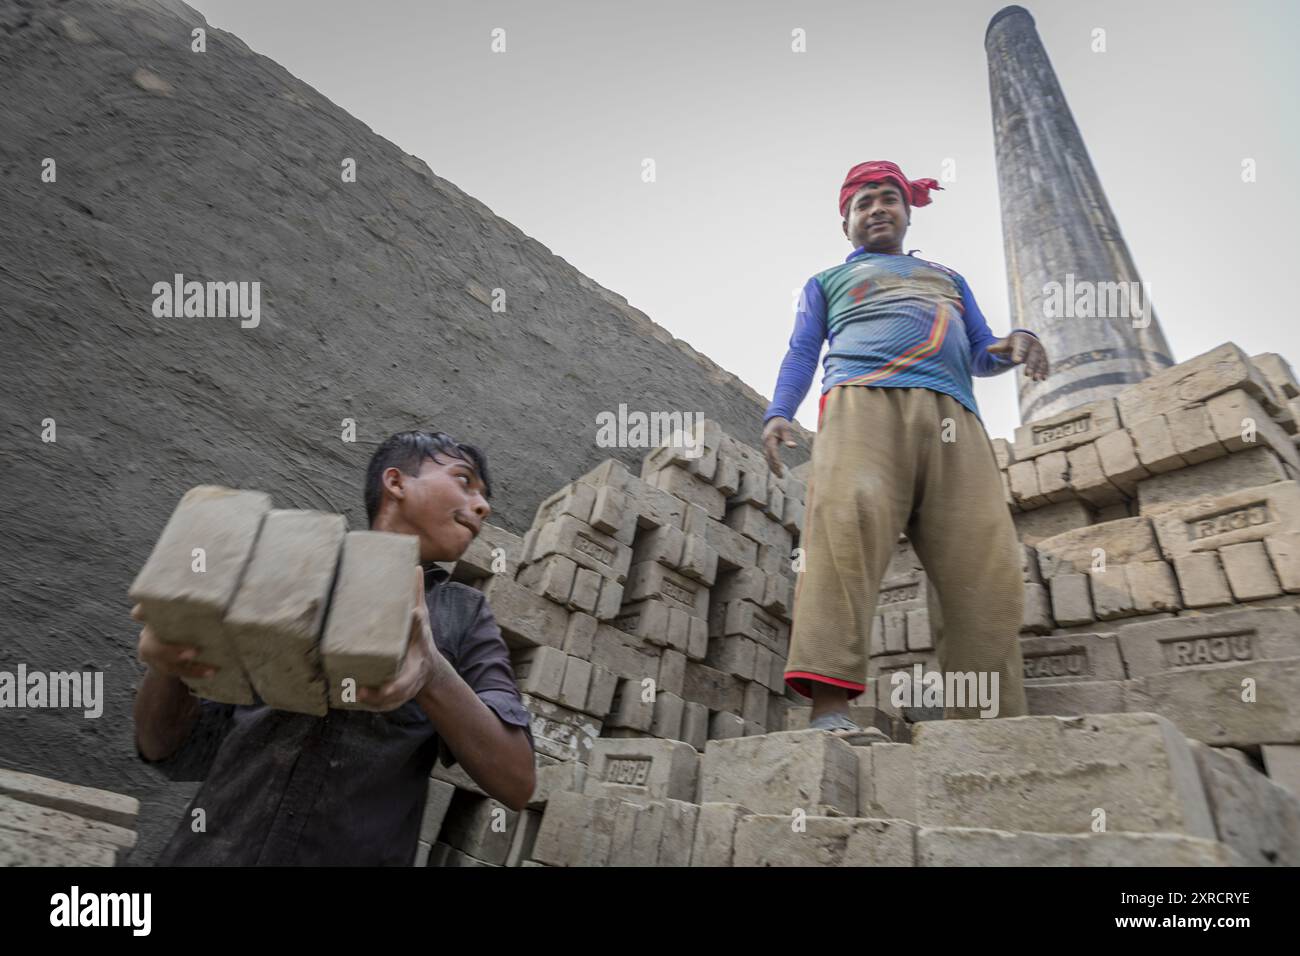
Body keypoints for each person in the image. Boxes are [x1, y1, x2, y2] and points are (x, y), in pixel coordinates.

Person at [133, 430, 535, 864]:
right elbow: (166, 750)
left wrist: (432, 673)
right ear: (396, 483)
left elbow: (515, 781)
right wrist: (169, 664)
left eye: (484, 495)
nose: (483, 506)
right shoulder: (287, 570)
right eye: (464, 480)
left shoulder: (465, 615)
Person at [763, 160, 1050, 731]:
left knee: (984, 561)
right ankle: (830, 707)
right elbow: (802, 352)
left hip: (953, 417)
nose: (876, 210)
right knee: (845, 531)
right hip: (860, 403)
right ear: (846, 221)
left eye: (888, 199)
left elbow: (978, 351)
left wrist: (1015, 344)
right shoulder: (826, 282)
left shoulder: (947, 279)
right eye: (863, 202)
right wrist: (778, 412)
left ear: (907, 212)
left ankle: (984, 722)